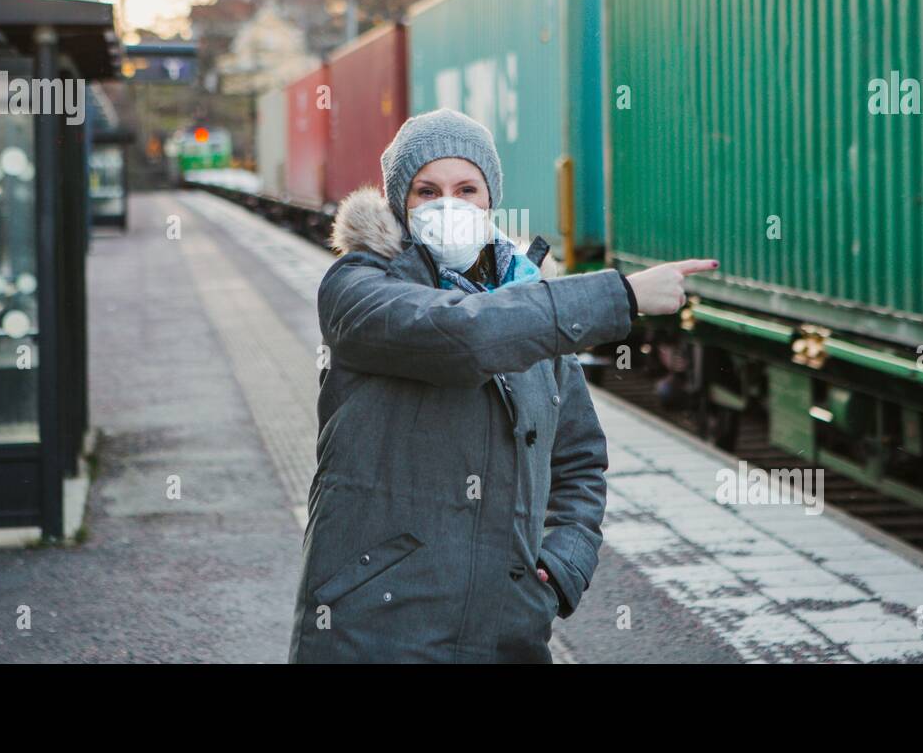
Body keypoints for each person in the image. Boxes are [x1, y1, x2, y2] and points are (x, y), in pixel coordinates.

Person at [287, 107, 718, 663]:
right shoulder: (359, 291)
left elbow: (580, 457)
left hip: (505, 631)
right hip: (377, 629)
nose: (450, 205)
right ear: (399, 202)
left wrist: (562, 566)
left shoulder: (527, 295)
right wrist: (622, 297)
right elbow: (464, 336)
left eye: (468, 188)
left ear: (491, 200)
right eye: (427, 191)